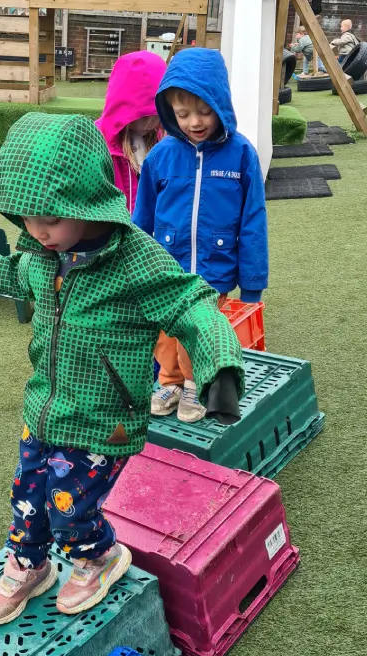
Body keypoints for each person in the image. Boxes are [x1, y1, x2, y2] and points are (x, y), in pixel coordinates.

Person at [0, 113, 244, 625]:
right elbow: (16, 274)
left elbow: (192, 305)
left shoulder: (135, 262)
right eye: (25, 219)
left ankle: (98, 556)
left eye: (49, 219)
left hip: (103, 419)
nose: (36, 232)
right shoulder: (39, 253)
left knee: (71, 509)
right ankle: (30, 565)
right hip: (45, 406)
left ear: (84, 201)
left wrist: (219, 366)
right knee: (28, 493)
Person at [132, 48, 268, 423]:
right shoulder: (161, 156)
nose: (195, 121)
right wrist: (129, 265)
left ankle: (195, 385)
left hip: (215, 270)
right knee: (164, 332)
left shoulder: (241, 154)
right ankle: (171, 381)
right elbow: (141, 218)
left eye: (204, 110)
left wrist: (252, 284)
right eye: (183, 113)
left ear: (220, 103)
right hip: (166, 269)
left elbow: (253, 219)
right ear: (169, 112)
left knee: (199, 331)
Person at [95, 51, 167, 214]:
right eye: (143, 117)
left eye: (157, 116)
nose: (151, 124)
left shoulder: (161, 142)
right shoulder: (97, 143)